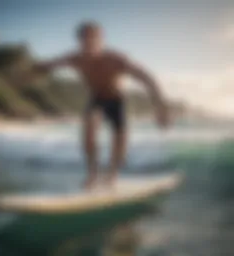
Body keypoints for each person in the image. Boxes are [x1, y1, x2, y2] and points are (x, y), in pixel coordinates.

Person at [37, 21, 169, 189]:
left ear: (101, 40)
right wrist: (27, 72)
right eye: (85, 39)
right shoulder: (75, 59)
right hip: (97, 98)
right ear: (79, 41)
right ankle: (92, 175)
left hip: (118, 99)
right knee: (89, 127)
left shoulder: (116, 59)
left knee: (120, 137)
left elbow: (147, 78)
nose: (90, 43)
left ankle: (112, 175)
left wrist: (160, 108)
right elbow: (47, 66)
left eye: (94, 38)